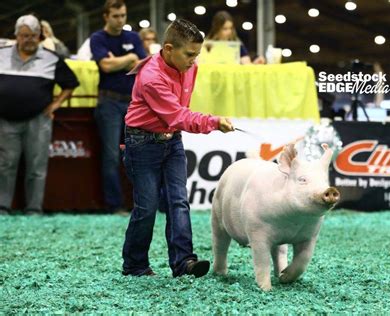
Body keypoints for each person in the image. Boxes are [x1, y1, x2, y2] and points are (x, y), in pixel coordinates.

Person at [121, 19, 234, 278]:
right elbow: (177, 116)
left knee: (179, 202)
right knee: (146, 208)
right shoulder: (151, 77)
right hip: (142, 143)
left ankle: (184, 263)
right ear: (169, 48)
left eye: (196, 54)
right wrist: (214, 122)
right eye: (189, 54)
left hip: (172, 140)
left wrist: (204, 122)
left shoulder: (189, 68)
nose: (194, 60)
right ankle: (134, 265)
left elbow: (177, 118)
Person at [0, 15, 79, 215]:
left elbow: (71, 83)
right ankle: (2, 207)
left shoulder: (51, 58)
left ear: (40, 36)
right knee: (5, 165)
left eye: (33, 35)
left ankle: (34, 209)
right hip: (5, 120)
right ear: (17, 36)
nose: (29, 39)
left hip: (38, 119)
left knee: (37, 166)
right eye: (25, 35)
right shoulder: (1, 54)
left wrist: (55, 104)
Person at [90, 0, 147, 214]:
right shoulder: (98, 38)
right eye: (115, 16)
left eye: (123, 15)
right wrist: (130, 58)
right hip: (109, 102)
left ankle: (141, 204)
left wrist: (119, 61)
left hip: (133, 103)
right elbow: (105, 65)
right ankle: (114, 205)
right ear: (106, 16)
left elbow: (142, 66)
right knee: (111, 155)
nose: (120, 20)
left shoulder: (132, 37)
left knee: (139, 153)